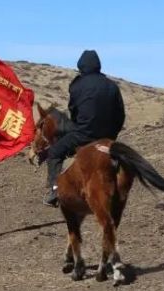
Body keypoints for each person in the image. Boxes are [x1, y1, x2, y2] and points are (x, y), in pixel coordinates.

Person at [43, 49, 126, 206]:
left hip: (84, 134)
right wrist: (112, 136)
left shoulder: (77, 85)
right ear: (98, 66)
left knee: (54, 153)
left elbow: (74, 111)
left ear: (81, 66)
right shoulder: (112, 86)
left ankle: (55, 190)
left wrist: (78, 126)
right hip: (108, 135)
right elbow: (120, 114)